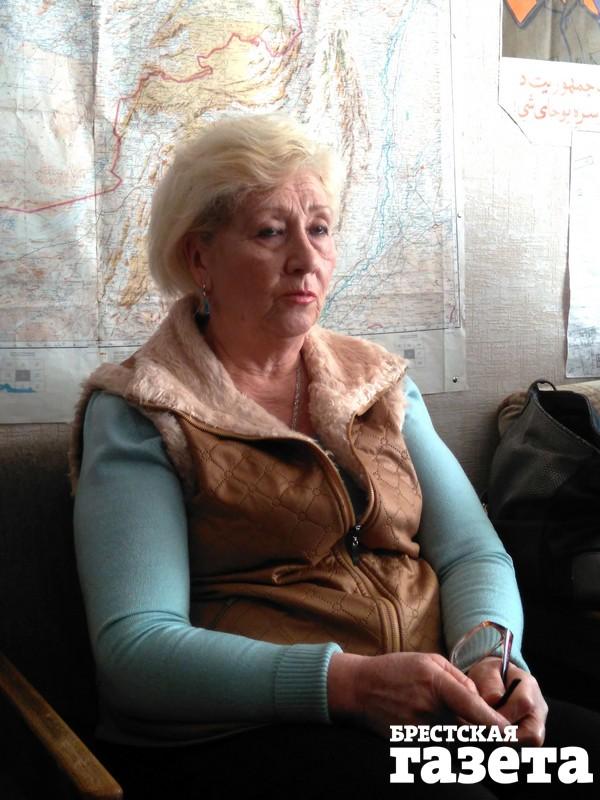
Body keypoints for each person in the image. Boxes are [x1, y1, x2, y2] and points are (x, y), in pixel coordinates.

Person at [71, 113, 599, 798]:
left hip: (429, 698)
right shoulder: (141, 410)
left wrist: (489, 656)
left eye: (319, 229)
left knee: (582, 760)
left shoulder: (376, 382)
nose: (306, 259)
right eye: (270, 232)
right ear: (199, 258)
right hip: (254, 731)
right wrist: (347, 684)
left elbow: (471, 551)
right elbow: (135, 650)